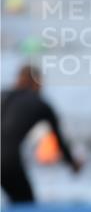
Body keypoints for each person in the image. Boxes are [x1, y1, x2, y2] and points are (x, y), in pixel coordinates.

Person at [1, 64, 82, 203]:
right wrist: (72, 163)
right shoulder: (41, 104)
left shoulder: (3, 96)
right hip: (7, 159)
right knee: (25, 204)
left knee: (16, 200)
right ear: (37, 82)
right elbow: (59, 140)